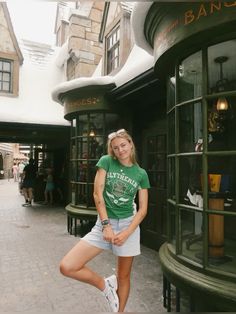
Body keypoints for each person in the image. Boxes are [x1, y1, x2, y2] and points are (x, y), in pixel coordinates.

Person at [59, 129, 150, 312]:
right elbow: (97, 193)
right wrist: (106, 225)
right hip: (104, 223)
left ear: (130, 144)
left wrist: (126, 233)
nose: (120, 150)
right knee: (67, 266)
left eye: (123, 145)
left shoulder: (141, 174)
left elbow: (143, 210)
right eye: (115, 148)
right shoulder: (106, 162)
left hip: (128, 225)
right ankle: (105, 285)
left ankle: (120, 312)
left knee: (124, 277)